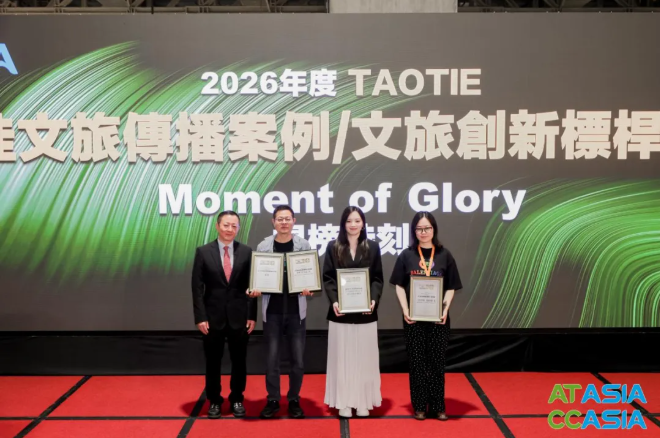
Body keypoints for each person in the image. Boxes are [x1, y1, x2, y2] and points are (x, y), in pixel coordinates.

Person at [389, 211, 462, 421]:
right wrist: (405, 310)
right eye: (419, 228)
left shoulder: (445, 255)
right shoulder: (406, 255)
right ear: (414, 231)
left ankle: (439, 406)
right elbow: (399, 286)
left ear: (434, 229)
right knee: (417, 363)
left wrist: (445, 309)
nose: (423, 232)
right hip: (414, 319)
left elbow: (451, 286)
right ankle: (420, 406)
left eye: (427, 228)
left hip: (439, 319)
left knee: (437, 364)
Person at [191, 210, 259, 419]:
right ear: (217, 226)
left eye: (234, 226)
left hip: (240, 316)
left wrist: (252, 315)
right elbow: (197, 288)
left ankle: (237, 398)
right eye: (226, 225)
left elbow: (252, 285)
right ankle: (214, 401)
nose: (230, 229)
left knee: (239, 361)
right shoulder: (203, 252)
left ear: (238, 228)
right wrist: (200, 317)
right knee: (213, 362)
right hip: (212, 318)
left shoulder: (246, 252)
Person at [253, 205, 314, 419]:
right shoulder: (263, 246)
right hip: (272, 312)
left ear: (294, 221)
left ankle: (294, 399)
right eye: (280, 219)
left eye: (287, 219)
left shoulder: (303, 245)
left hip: (297, 312)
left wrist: (309, 287)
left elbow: (310, 275)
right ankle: (273, 399)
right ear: (273, 222)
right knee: (272, 360)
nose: (284, 223)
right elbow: (258, 276)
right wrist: (256, 287)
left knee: (297, 361)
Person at [322, 206, 384, 418]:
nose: (353, 224)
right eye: (349, 221)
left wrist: (373, 299)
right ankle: (345, 402)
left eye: (357, 220)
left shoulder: (373, 247)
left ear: (363, 223)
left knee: (365, 358)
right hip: (341, 313)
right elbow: (328, 278)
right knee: (342, 358)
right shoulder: (333, 247)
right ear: (343, 224)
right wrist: (335, 301)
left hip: (366, 313)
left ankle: (363, 401)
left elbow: (377, 278)